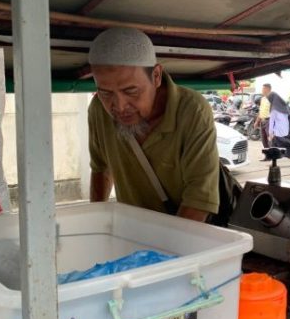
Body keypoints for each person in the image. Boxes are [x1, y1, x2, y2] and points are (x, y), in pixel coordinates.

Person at [88, 27, 219, 222]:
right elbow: (101, 169)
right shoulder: (99, 109)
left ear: (156, 76)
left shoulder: (193, 110)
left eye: (131, 91)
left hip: (186, 235)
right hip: (131, 233)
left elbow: (199, 199)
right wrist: (96, 226)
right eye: (106, 93)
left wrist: (163, 252)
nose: (120, 106)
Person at [267, 91, 290, 167]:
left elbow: (271, 122)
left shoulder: (274, 109)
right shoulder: (285, 107)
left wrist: (270, 133)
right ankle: (273, 162)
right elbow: (287, 120)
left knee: (282, 147)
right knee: (275, 147)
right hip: (285, 131)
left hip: (277, 132)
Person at [254, 84, 272, 157]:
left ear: (267, 89)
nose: (262, 91)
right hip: (263, 121)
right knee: (264, 140)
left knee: (270, 139)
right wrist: (257, 121)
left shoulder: (272, 98)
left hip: (269, 121)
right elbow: (260, 111)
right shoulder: (263, 99)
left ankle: (272, 156)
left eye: (263, 89)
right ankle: (267, 156)